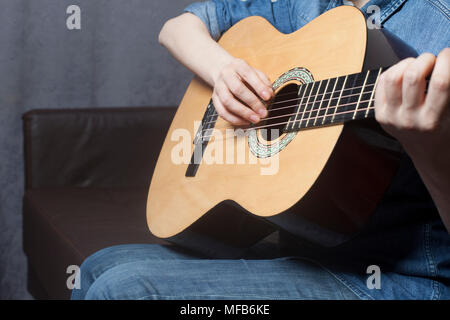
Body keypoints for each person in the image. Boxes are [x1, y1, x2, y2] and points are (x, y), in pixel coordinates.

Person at [71, 0, 450, 300]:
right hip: (311, 254)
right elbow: (177, 28)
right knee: (96, 267)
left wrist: (425, 146)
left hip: (406, 279)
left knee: (120, 291)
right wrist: (223, 72)